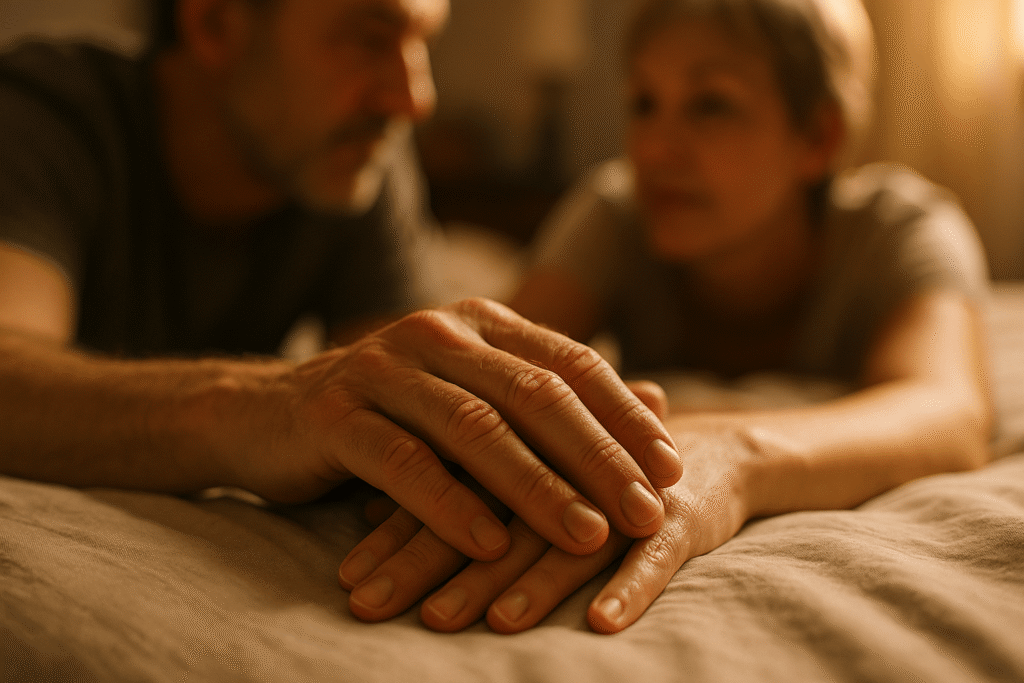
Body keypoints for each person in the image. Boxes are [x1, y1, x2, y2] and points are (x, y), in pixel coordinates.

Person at [339, 0, 993, 635]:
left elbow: (946, 411)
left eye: (711, 105)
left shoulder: (901, 229)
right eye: (644, 103)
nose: (654, 149)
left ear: (818, 138)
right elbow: (494, 371)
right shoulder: (616, 213)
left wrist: (736, 453)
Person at [0, 0, 686, 576]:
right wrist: (262, 404)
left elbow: (400, 389)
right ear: (214, 25)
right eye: (369, 37)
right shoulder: (42, 116)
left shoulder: (352, 157)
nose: (415, 98)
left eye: (420, 43)